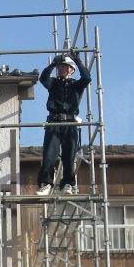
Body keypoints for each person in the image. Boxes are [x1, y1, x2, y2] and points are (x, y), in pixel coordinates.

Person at [35, 51, 91, 197]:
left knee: (69, 155)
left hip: (70, 123)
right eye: (60, 66)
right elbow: (43, 78)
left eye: (64, 66)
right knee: (49, 154)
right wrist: (53, 64)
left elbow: (87, 78)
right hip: (54, 121)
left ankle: (67, 184)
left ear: (71, 69)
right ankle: (46, 183)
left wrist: (78, 61)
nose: (61, 68)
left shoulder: (76, 85)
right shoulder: (54, 83)